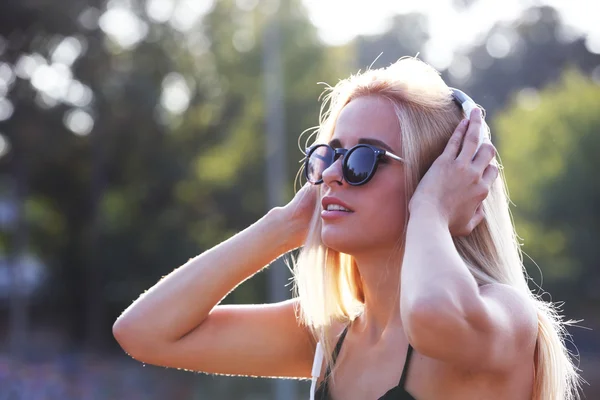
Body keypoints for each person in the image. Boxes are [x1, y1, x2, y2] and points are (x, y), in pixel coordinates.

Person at [113, 57, 582, 400]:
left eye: (363, 160)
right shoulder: (330, 335)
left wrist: (433, 211)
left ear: (434, 179)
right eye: (328, 155)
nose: (334, 174)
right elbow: (144, 332)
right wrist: (284, 225)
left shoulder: (504, 315)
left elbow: (432, 318)